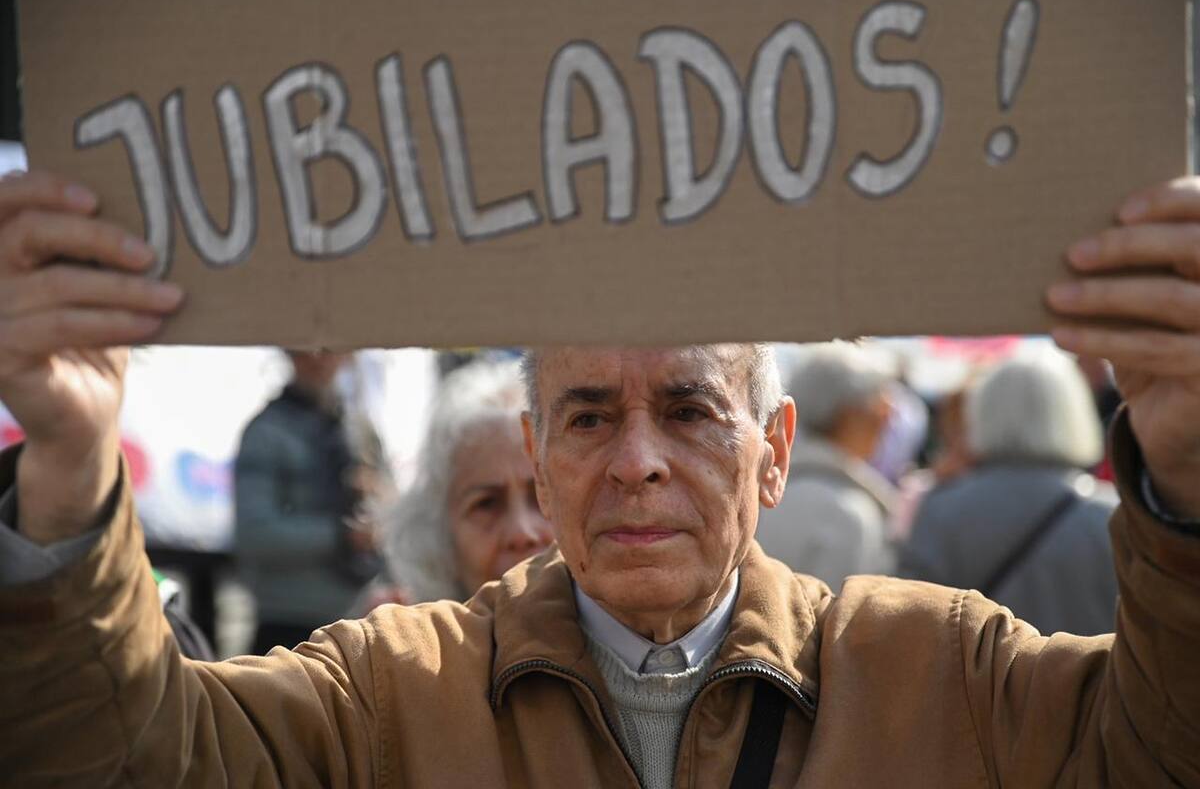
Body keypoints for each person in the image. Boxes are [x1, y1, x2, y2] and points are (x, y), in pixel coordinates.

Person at [1, 170, 1200, 786]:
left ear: (773, 451)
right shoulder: (389, 698)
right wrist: (64, 460)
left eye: (687, 408)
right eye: (587, 415)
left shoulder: (950, 675)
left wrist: (1188, 469)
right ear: (538, 454)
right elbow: (128, 762)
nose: (636, 457)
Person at [900, 350, 1119, 635]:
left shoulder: (941, 507)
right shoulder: (1111, 514)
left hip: (977, 679)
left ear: (982, 413)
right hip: (1089, 677)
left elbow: (913, 620)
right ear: (1075, 412)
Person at [364, 357, 554, 607]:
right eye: (486, 504)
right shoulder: (408, 640)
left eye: (543, 492)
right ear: (441, 540)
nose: (522, 532)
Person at [234, 349, 389, 654]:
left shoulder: (360, 429)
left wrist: (378, 497)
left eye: (331, 348)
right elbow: (255, 534)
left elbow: (390, 509)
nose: (319, 357)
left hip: (354, 620)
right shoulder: (266, 433)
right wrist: (343, 536)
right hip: (288, 624)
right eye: (306, 348)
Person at [755, 342, 897, 587]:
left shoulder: (761, 491)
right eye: (879, 404)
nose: (889, 417)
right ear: (848, 414)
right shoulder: (850, 514)